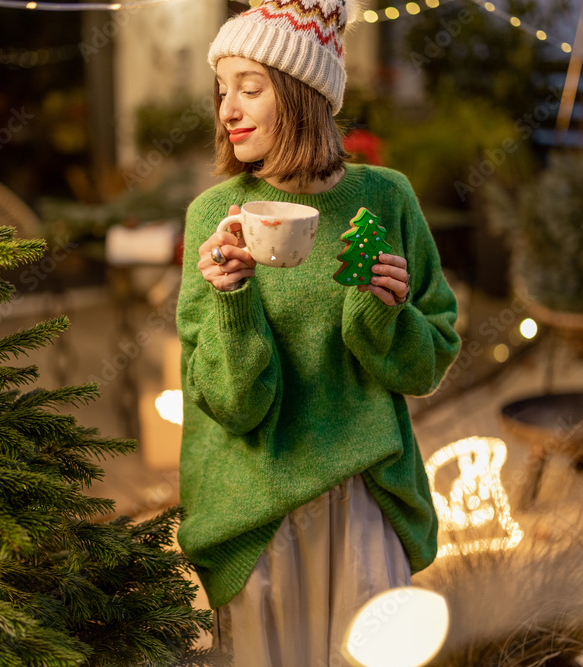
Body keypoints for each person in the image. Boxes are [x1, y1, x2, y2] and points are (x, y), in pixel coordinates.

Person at [175, 1, 461, 664]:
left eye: (250, 88)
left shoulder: (386, 198)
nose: (228, 111)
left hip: (363, 498)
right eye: (223, 92)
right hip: (257, 506)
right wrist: (234, 299)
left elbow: (426, 364)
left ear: (303, 96)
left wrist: (385, 310)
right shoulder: (214, 217)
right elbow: (234, 403)